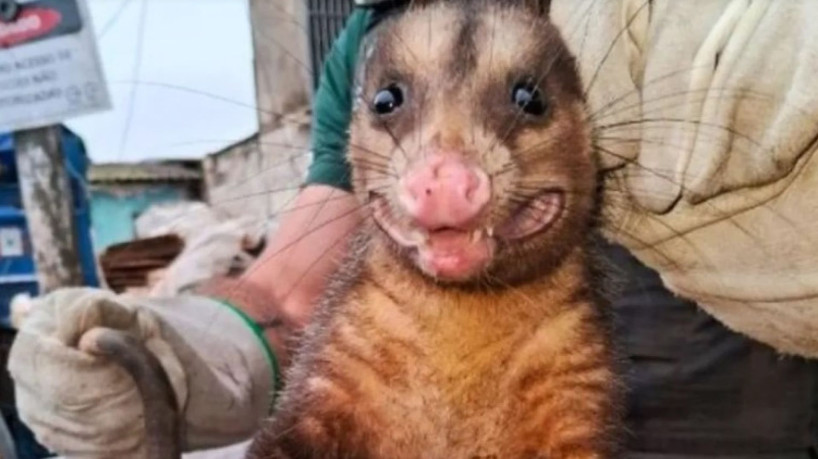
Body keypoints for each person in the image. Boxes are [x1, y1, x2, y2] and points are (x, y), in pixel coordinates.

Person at [7, 1, 818, 458]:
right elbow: (290, 287)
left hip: (735, 408)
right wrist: (183, 352)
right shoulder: (369, 43)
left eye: (527, 102)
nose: (441, 177)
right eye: (393, 107)